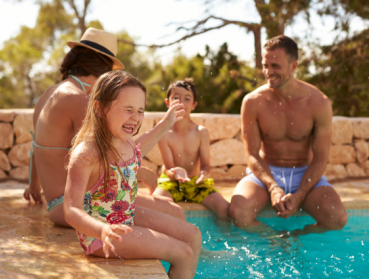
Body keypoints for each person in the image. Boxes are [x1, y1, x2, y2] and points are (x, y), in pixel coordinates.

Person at [23, 28, 185, 227]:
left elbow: (34, 151)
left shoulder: (48, 94)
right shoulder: (80, 99)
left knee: (167, 205)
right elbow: (117, 154)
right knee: (174, 211)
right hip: (80, 205)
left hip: (57, 204)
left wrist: (33, 186)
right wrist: (165, 125)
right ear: (106, 70)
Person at [64, 71, 201, 279]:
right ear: (100, 108)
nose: (135, 118)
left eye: (140, 110)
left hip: (126, 216)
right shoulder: (87, 154)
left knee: (193, 235)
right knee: (184, 254)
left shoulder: (125, 142)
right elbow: (71, 209)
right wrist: (102, 231)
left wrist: (167, 122)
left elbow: (141, 145)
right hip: (104, 235)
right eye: (128, 109)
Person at [229, 35, 348, 233]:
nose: (268, 72)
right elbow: (252, 154)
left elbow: (320, 158)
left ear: (293, 66)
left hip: (305, 173)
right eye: (265, 65)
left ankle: (297, 236)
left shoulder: (319, 103)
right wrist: (273, 187)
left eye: (275, 66)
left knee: (337, 218)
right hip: (266, 173)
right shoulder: (253, 102)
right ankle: (276, 239)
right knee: (239, 213)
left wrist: (300, 194)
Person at [153, 78, 229, 220]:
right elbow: (169, 169)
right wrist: (175, 174)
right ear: (167, 103)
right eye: (176, 98)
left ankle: (225, 239)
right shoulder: (164, 134)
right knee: (156, 208)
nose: (181, 102)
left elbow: (206, 166)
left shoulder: (201, 132)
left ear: (194, 105)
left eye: (187, 99)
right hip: (171, 183)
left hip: (196, 183)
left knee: (224, 209)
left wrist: (204, 173)